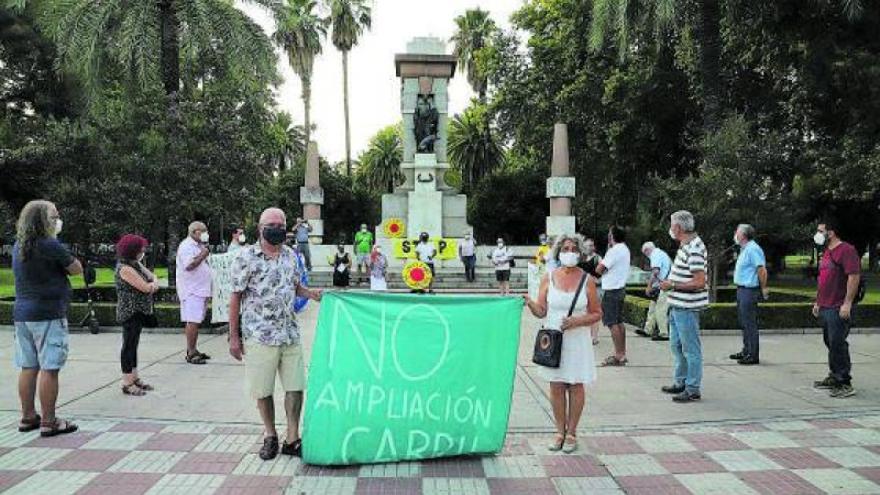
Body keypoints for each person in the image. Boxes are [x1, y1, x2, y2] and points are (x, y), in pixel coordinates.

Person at [229, 207, 322, 460]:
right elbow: (235, 296)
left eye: (281, 225)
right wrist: (234, 336)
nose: (277, 228)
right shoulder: (245, 257)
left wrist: (311, 294)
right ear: (260, 228)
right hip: (259, 334)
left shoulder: (291, 255)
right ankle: (270, 435)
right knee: (263, 389)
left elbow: (295, 286)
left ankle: (292, 438)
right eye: (272, 224)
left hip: (289, 333)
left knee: (295, 387)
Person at [524, 234, 602, 454]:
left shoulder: (587, 280)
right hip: (554, 340)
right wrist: (530, 304)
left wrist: (578, 321)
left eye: (574, 249)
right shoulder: (549, 277)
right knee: (556, 385)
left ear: (580, 253)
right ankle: (559, 431)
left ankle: (572, 432)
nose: (570, 252)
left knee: (576, 385)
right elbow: (542, 311)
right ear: (559, 252)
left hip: (578, 340)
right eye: (566, 249)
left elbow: (597, 313)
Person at [12, 200, 81, 437]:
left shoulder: (19, 245)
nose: (57, 220)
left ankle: (28, 416)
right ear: (42, 220)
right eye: (53, 217)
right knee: (50, 367)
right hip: (48, 314)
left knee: (28, 365)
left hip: (23, 314)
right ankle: (49, 421)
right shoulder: (50, 245)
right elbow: (76, 269)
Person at [659, 210, 708, 403]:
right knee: (677, 346)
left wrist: (673, 285)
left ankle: (692, 387)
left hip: (686, 307)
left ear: (678, 227)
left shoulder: (694, 248)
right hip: (677, 305)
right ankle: (681, 381)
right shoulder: (686, 246)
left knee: (690, 349)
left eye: (671, 225)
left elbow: (699, 282)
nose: (670, 229)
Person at [812, 220, 861, 398]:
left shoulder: (846, 250)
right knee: (830, 342)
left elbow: (853, 277)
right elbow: (823, 279)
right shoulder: (826, 252)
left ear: (831, 233)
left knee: (838, 343)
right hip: (826, 305)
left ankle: (844, 382)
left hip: (838, 306)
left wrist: (847, 303)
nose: (817, 234)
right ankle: (834, 375)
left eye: (821, 231)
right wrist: (818, 302)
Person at [114, 234, 160, 396]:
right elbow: (146, 287)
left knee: (134, 345)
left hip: (139, 311)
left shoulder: (135, 264)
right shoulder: (125, 268)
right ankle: (127, 381)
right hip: (130, 311)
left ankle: (134, 377)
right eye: (141, 249)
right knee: (128, 345)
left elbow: (153, 277)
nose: (143, 251)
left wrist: (153, 283)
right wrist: (152, 285)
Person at [731, 224, 768, 365]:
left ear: (744, 235)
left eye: (737, 232)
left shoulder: (753, 249)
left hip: (749, 290)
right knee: (743, 322)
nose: (735, 234)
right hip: (742, 289)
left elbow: (761, 269)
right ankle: (746, 350)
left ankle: (753, 354)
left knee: (749, 323)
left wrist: (764, 288)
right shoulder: (745, 249)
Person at [176, 221, 212, 365]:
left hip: (200, 289)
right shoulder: (186, 246)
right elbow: (189, 265)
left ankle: (194, 349)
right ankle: (191, 352)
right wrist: (203, 254)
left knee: (197, 320)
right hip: (191, 290)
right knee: (193, 320)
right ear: (194, 232)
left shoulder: (199, 246)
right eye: (203, 231)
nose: (205, 234)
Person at [596, 227, 631, 366]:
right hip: (620, 288)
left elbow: (599, 269)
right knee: (619, 322)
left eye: (609, 234)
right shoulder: (624, 249)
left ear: (612, 236)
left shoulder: (614, 250)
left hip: (612, 290)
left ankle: (618, 355)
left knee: (612, 323)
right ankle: (622, 353)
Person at [637, 242, 672, 341]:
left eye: (645, 253)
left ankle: (664, 333)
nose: (646, 256)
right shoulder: (661, 253)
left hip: (665, 286)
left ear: (647, 250)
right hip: (663, 285)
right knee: (652, 308)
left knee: (660, 309)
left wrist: (649, 286)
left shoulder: (655, 254)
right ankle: (648, 329)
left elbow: (655, 271)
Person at [580, 239, 603, 345]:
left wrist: (597, 280)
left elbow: (605, 273)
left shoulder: (598, 259)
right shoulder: (581, 258)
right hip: (582, 289)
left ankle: (594, 336)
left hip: (596, 288)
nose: (589, 247)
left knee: (594, 312)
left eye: (591, 245)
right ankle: (586, 335)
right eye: (587, 246)